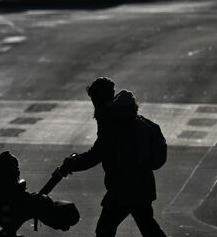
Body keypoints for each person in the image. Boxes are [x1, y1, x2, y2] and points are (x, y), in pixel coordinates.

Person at [57, 78, 166, 237]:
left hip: (124, 186)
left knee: (105, 229)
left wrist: (71, 164)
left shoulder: (110, 120)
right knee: (147, 226)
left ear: (99, 98)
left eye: (94, 98)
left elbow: (97, 154)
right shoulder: (126, 117)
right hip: (141, 183)